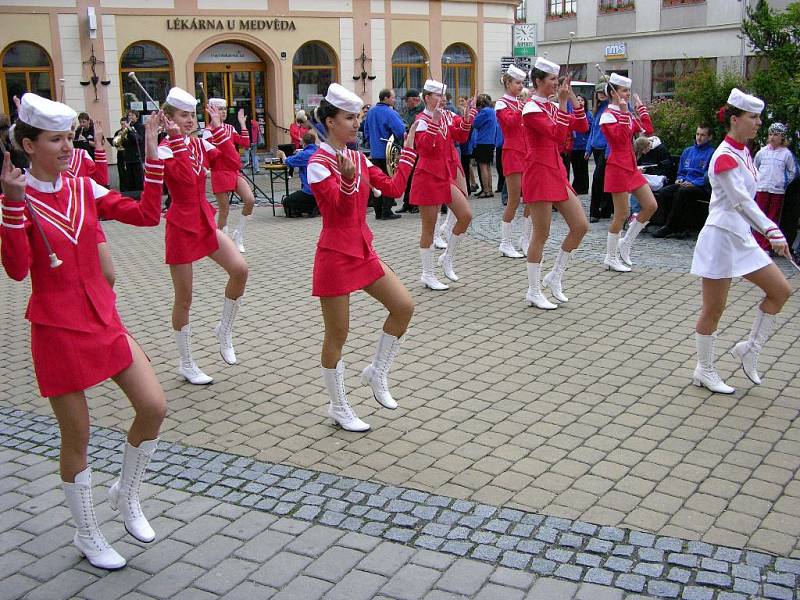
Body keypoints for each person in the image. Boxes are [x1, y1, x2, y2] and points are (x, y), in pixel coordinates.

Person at [0, 93, 167, 570]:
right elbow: (15, 271)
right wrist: (12, 207)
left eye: (69, 137)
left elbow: (145, 215)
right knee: (77, 436)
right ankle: (86, 532)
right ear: (28, 145)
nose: (66, 147)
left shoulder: (82, 187)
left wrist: (151, 149)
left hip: (102, 318)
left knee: (154, 405)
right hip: (55, 327)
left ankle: (126, 492)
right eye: (55, 139)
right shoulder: (16, 198)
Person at [306, 83, 419, 431]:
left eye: (358, 117)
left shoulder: (357, 157)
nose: (356, 124)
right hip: (335, 255)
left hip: (363, 250)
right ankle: (338, 406)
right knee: (337, 335)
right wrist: (347, 182)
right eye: (348, 118)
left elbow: (394, 189)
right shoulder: (318, 162)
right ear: (329, 121)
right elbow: (337, 211)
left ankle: (377, 372)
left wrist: (409, 153)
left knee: (403, 307)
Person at [690, 88, 792, 393]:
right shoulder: (723, 157)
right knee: (713, 309)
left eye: (759, 117)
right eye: (753, 117)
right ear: (735, 119)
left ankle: (751, 348)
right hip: (721, 237)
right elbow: (741, 201)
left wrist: (765, 230)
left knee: (781, 291)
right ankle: (704, 369)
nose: (759, 123)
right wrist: (772, 231)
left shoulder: (745, 151)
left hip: (742, 237)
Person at [157, 87, 249, 385]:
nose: (189, 120)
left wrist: (220, 130)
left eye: (192, 115)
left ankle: (224, 329)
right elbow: (182, 178)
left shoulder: (199, 144)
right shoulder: (164, 149)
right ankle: (186, 362)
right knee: (184, 298)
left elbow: (232, 163)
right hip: (181, 226)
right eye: (182, 115)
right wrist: (174, 140)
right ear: (168, 118)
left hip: (204, 221)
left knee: (240, 269)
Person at [521, 57, 589, 309]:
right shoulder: (530, 110)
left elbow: (582, 126)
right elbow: (558, 135)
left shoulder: (551, 107)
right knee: (541, 234)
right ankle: (533, 289)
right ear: (538, 81)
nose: (555, 84)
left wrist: (571, 99)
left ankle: (555, 276)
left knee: (580, 226)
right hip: (539, 172)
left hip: (556, 172)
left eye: (557, 81)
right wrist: (561, 103)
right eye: (552, 80)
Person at [411, 80, 476, 291]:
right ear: (427, 98)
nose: (442, 99)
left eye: (443, 95)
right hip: (428, 176)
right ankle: (427, 274)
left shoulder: (448, 115)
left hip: (445, 175)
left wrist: (466, 117)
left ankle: (447, 258)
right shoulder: (421, 120)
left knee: (465, 215)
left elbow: (461, 136)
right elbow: (422, 148)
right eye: (437, 95)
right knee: (428, 228)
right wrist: (433, 124)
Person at [600, 73, 656, 272]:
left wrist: (640, 108)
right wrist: (625, 114)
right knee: (621, 213)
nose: (627, 94)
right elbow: (618, 139)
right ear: (613, 92)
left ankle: (626, 243)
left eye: (628, 91)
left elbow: (646, 130)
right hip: (617, 167)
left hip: (631, 167)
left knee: (650, 205)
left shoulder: (625, 112)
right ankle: (610, 256)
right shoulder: (607, 115)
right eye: (624, 90)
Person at [204, 98, 256, 253]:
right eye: (220, 109)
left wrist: (241, 123)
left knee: (250, 200)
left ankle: (238, 234)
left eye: (225, 109)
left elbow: (246, 143)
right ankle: (222, 243)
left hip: (233, 171)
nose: (223, 112)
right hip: (219, 172)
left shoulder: (230, 128)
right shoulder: (207, 131)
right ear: (212, 111)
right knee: (224, 209)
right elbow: (213, 153)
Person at [652, 125, 715, 238]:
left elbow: (709, 175)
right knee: (665, 192)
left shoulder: (712, 153)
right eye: (697, 134)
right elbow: (681, 171)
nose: (699, 138)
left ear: (709, 137)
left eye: (703, 135)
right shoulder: (687, 151)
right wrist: (679, 179)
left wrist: (694, 183)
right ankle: (667, 223)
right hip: (684, 183)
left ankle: (671, 226)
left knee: (683, 192)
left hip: (700, 187)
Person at [495, 65, 529, 258]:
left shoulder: (519, 103)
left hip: (527, 153)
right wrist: (524, 106)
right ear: (507, 83)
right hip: (512, 153)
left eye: (521, 83)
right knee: (514, 199)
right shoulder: (501, 104)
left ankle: (525, 239)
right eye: (517, 83)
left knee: (532, 198)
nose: (519, 86)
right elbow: (510, 123)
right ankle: (505, 243)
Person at [363, 88, 406, 220]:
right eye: (393, 98)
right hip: (388, 154)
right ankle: (386, 212)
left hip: (375, 153)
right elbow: (400, 130)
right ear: (386, 98)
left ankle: (378, 212)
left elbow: (366, 131)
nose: (394, 100)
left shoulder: (370, 112)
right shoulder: (389, 112)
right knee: (389, 181)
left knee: (376, 182)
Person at [753, 122, 797, 251]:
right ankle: (758, 243)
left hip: (777, 191)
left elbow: (792, 171)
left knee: (772, 217)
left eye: (776, 135)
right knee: (759, 216)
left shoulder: (786, 154)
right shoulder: (762, 152)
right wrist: (758, 181)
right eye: (770, 134)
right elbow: (755, 166)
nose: (772, 137)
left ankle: (768, 245)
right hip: (762, 189)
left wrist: (782, 183)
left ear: (782, 137)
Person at [586, 83, 612, 222]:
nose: (601, 94)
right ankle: (606, 209)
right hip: (596, 147)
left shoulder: (611, 107)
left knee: (597, 178)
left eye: (604, 92)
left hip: (606, 149)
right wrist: (588, 148)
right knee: (603, 179)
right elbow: (594, 130)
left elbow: (610, 133)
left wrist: (608, 151)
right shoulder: (598, 108)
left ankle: (594, 212)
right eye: (599, 92)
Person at [277, 130, 319, 217]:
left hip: (309, 191)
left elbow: (288, 162)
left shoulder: (304, 154)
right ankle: (315, 207)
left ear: (303, 142)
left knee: (287, 202)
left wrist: (283, 155)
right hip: (320, 190)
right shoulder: (318, 151)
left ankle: (310, 209)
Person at [397, 89, 424, 214]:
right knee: (408, 176)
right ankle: (407, 203)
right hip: (409, 146)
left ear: (414, 100)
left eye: (406, 100)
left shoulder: (422, 111)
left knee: (416, 177)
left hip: (418, 148)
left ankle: (416, 204)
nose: (405, 103)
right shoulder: (408, 111)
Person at [471, 94, 497, 198]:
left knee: (483, 167)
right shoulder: (491, 110)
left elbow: (475, 123)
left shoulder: (484, 111)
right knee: (488, 167)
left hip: (483, 141)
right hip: (490, 141)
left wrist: (474, 113)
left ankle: (485, 190)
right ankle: (490, 189)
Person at [570, 95, 592, 194]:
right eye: (577, 100)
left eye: (581, 100)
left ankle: (583, 188)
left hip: (583, 145)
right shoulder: (572, 113)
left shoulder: (588, 114)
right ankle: (577, 186)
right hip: (574, 146)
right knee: (576, 168)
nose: (579, 102)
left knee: (583, 168)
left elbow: (589, 128)